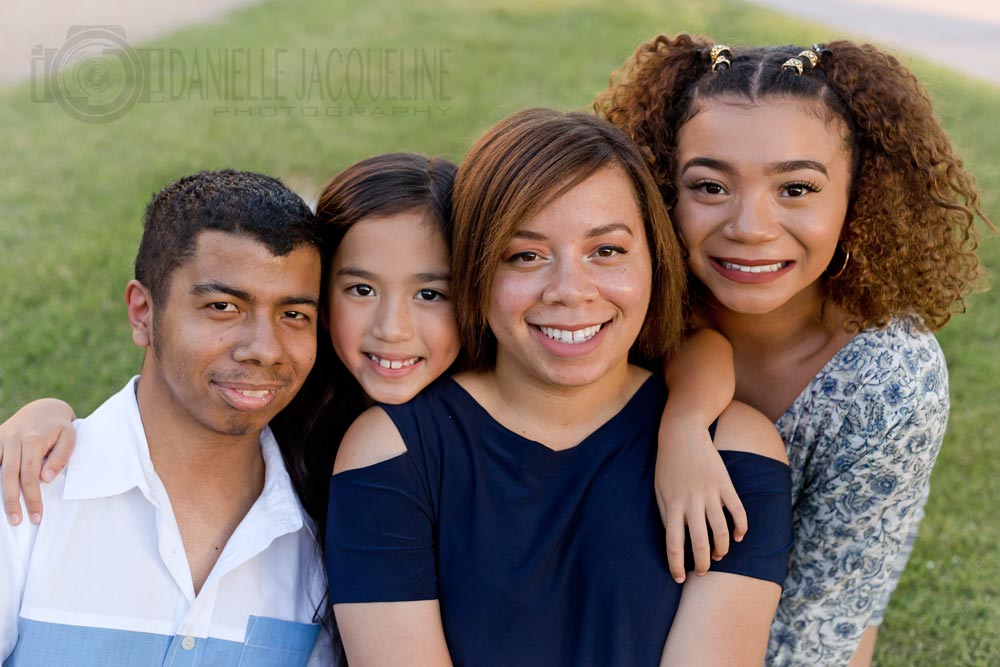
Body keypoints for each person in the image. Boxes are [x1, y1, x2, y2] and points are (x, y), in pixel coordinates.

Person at [326, 108, 794, 666]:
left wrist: (687, 427)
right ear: (475, 270)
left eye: (607, 251)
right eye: (525, 255)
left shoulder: (733, 454)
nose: (570, 291)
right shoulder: (393, 452)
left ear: (655, 260)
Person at [594, 35, 991, 666]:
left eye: (796, 189)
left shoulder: (889, 382)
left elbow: (827, 611)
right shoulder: (623, 299)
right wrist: (685, 424)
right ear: (661, 186)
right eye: (709, 186)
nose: (750, 226)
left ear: (859, 197)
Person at [0, 169, 333, 665]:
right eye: (223, 306)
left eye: (293, 315)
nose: (265, 350)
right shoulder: (24, 494)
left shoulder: (319, 543)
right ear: (142, 312)